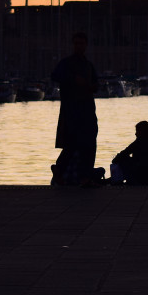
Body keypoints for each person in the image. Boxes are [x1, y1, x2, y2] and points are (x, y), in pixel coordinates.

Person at [51, 32, 99, 186]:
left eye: (81, 43)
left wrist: (91, 86)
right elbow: (55, 76)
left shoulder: (88, 65)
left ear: (86, 45)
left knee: (89, 144)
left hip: (88, 110)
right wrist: (73, 80)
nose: (79, 46)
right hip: (71, 111)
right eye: (76, 43)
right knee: (71, 144)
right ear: (73, 45)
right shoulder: (66, 63)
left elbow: (96, 84)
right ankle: (59, 171)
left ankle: (85, 177)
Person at [112, 121, 148, 185]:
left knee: (123, 159)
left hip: (146, 174)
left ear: (142, 131)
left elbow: (126, 152)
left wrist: (115, 159)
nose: (135, 134)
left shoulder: (141, 140)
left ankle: (129, 180)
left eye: (137, 131)